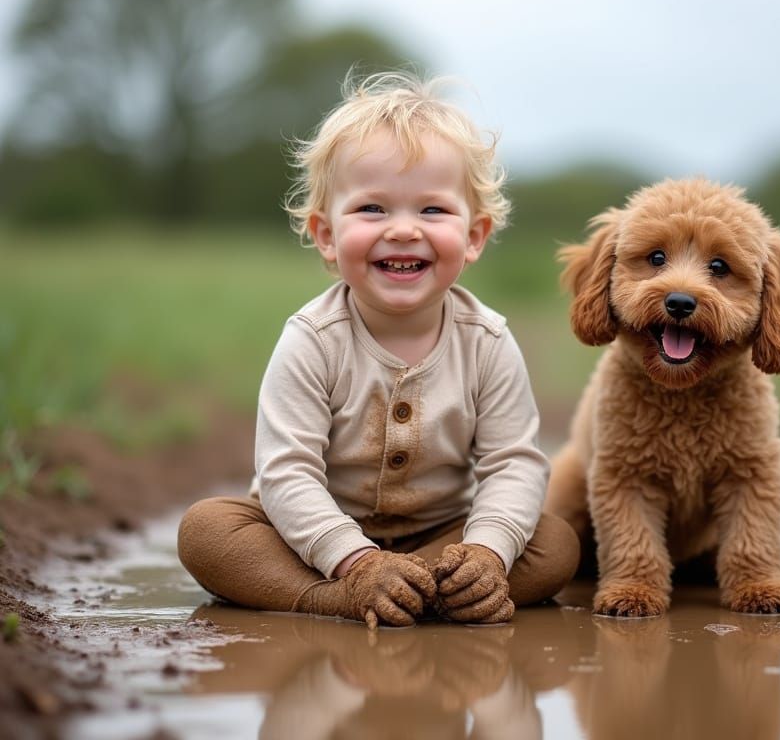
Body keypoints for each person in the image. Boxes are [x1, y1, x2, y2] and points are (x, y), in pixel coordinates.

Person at [178, 72, 579, 628]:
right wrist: (357, 563)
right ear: (325, 234)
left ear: (474, 236)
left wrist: (486, 554)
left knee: (555, 544)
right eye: (372, 209)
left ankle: (422, 587)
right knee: (207, 530)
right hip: (311, 540)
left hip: (444, 536)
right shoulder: (312, 339)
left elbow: (513, 464)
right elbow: (285, 473)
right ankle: (343, 598)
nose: (404, 230)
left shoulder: (486, 342)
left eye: (433, 211)